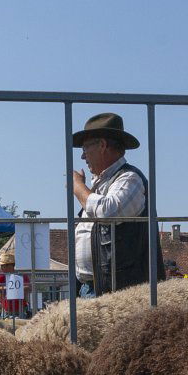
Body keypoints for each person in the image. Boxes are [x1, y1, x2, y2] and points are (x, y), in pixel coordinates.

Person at [71, 112, 163, 296]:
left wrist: (78, 187)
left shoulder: (130, 178)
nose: (83, 156)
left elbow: (107, 212)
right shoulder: (103, 184)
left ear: (102, 145)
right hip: (97, 288)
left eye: (85, 148)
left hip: (119, 291)